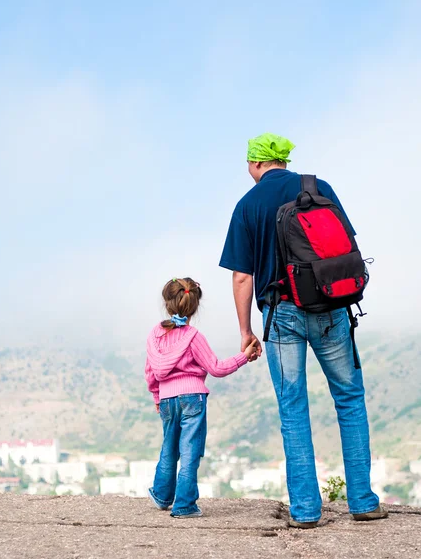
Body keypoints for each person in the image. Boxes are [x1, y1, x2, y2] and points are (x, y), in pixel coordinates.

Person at [219, 132, 388, 528]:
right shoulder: (318, 187)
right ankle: (362, 502)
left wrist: (245, 330)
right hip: (330, 307)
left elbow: (243, 277)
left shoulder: (247, 205)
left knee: (293, 409)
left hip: (282, 316)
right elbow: (347, 247)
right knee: (349, 399)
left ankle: (307, 511)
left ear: (257, 163)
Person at [145, 277, 258, 518]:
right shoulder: (193, 337)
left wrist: (157, 396)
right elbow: (216, 368)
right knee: (189, 451)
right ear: (194, 306)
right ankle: (184, 505)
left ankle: (162, 495)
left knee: (168, 447)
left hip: (166, 399)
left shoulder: (155, 335)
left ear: (167, 303)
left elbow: (150, 371)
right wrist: (244, 357)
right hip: (193, 397)